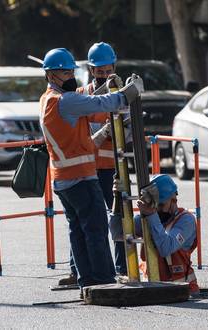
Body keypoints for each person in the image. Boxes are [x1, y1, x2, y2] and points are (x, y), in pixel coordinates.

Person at [39, 48, 142, 291]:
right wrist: (131, 92)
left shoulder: (48, 99)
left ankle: (86, 281)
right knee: (95, 230)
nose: (70, 76)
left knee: (79, 231)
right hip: (81, 178)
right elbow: (101, 102)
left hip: (63, 179)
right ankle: (104, 280)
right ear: (52, 75)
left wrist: (103, 132)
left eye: (71, 71)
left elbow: (80, 139)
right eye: (66, 72)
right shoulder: (67, 100)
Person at [58, 42, 127, 287]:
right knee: (81, 223)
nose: (104, 76)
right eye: (99, 71)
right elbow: (81, 128)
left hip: (111, 168)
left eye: (108, 71)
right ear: (90, 69)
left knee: (118, 216)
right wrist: (103, 129)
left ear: (114, 68)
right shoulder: (81, 94)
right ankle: (77, 271)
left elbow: (127, 133)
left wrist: (119, 127)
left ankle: (122, 267)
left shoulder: (120, 94)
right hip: (87, 167)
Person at [110, 174, 199, 294]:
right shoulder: (150, 217)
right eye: (155, 206)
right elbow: (117, 233)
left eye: (161, 205)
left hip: (183, 293)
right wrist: (117, 200)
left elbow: (166, 248)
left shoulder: (185, 220)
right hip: (152, 291)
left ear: (174, 199)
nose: (158, 210)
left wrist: (151, 215)